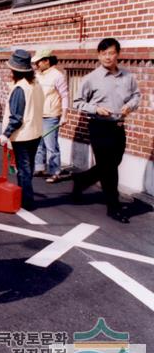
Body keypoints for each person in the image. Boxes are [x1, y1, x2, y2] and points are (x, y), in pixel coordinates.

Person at [72, 38, 141, 224]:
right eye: (103, 53)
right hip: (99, 127)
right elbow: (77, 102)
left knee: (113, 163)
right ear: (98, 55)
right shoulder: (90, 79)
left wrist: (130, 106)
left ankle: (81, 179)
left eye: (111, 53)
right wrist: (96, 109)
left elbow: (136, 96)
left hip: (118, 127)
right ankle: (114, 207)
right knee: (109, 168)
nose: (107, 57)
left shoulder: (128, 76)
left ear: (117, 54)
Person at [0, 49, 44, 210]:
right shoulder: (35, 84)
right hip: (36, 132)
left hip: (22, 136)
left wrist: (5, 134)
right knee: (28, 168)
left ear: (15, 70)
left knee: (22, 170)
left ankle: (26, 202)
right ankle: (25, 199)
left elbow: (16, 117)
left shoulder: (19, 89)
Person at [31, 49, 70, 183]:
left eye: (38, 62)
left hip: (51, 115)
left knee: (51, 145)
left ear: (46, 61)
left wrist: (64, 115)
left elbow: (65, 96)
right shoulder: (37, 75)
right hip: (37, 113)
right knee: (38, 143)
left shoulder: (57, 76)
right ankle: (40, 167)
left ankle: (55, 172)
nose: (36, 65)